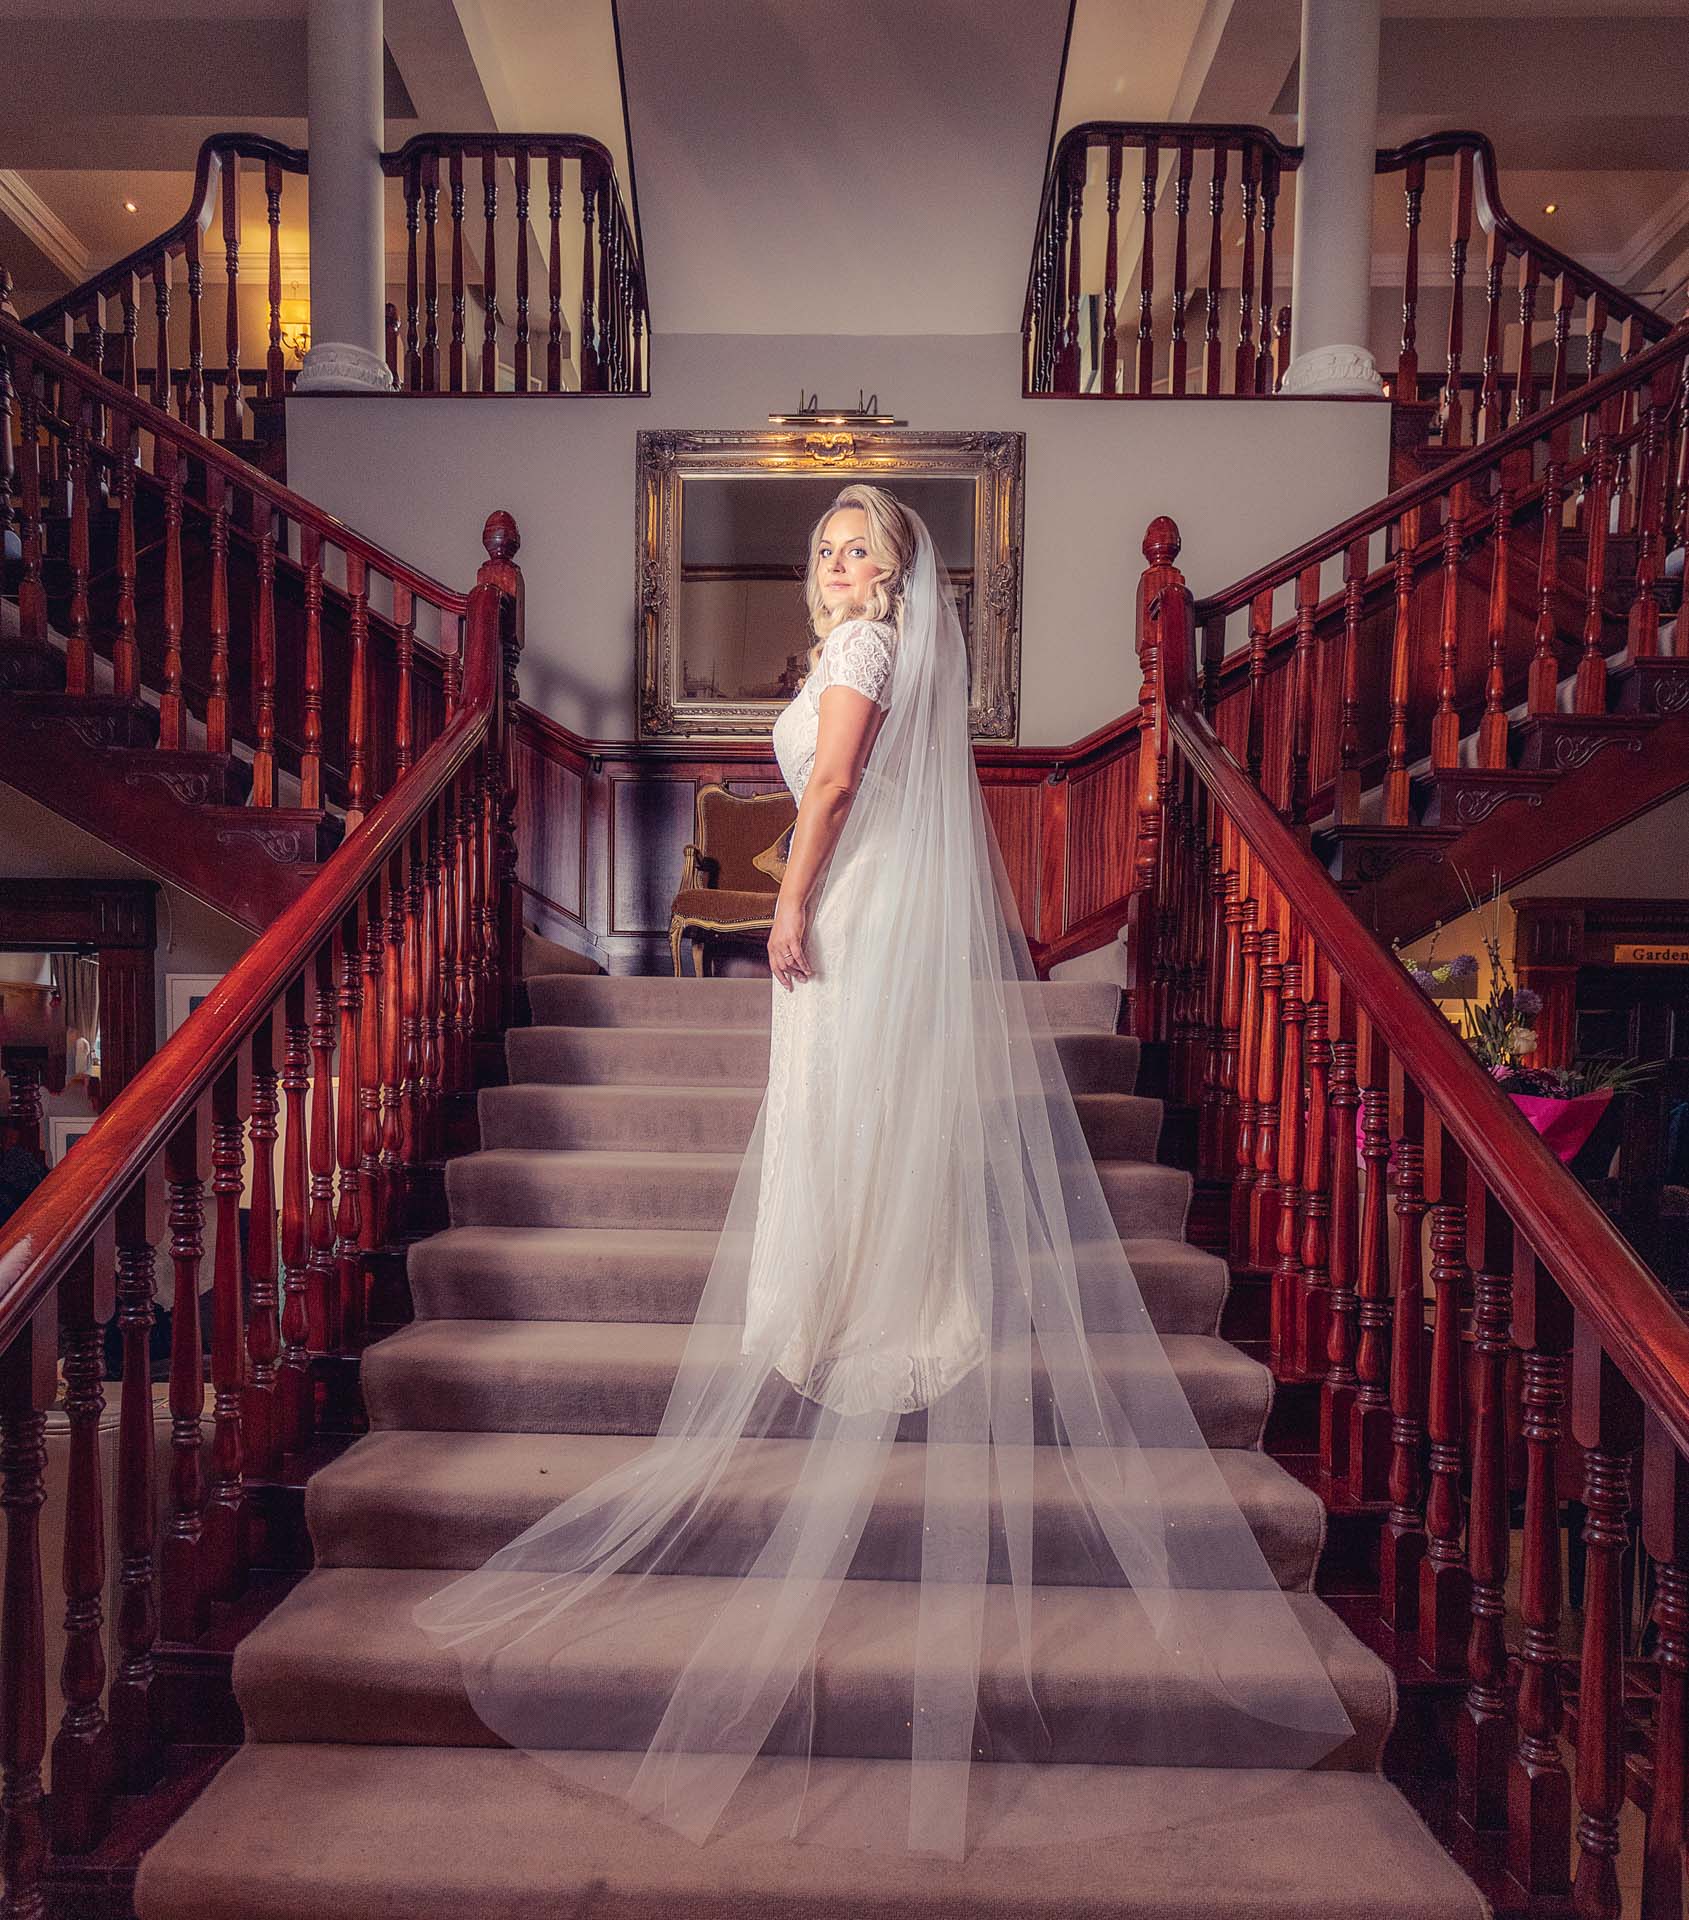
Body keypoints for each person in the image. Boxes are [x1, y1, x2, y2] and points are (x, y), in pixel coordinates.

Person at [413, 483, 1354, 1861]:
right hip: (874, 902)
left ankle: (852, 1296)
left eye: (861, 548)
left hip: (849, 904)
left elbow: (839, 785)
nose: (836, 562)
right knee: (849, 1104)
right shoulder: (872, 651)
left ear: (896, 576)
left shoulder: (861, 649)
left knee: (842, 1100)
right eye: (825, 546)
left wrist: (787, 900)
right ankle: (868, 1283)